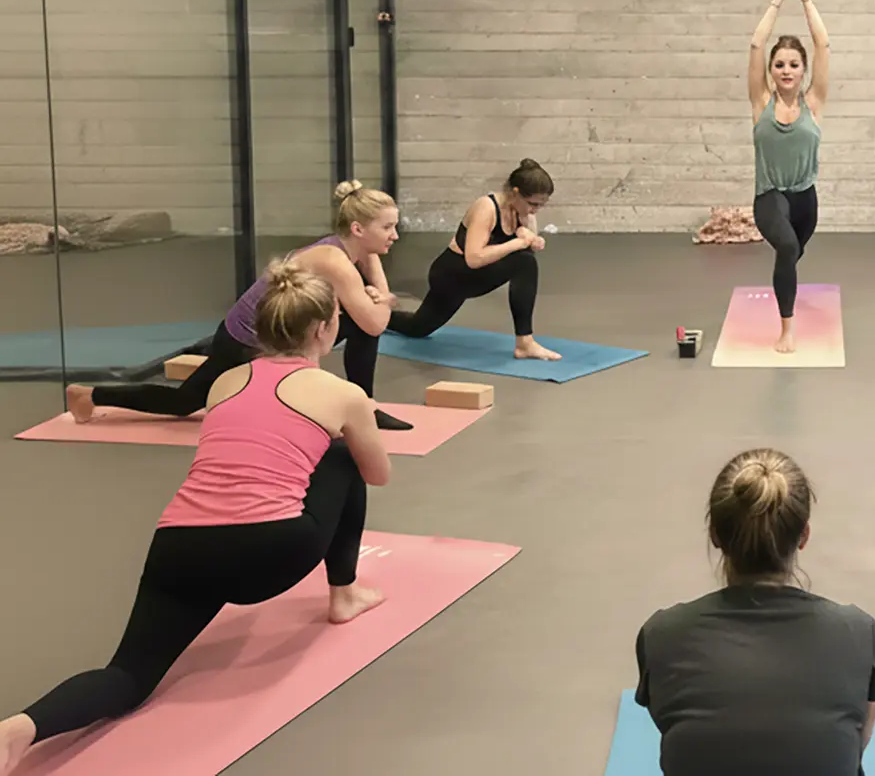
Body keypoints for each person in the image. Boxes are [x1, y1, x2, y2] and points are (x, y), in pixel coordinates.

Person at [1, 264, 390, 775]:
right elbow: (377, 473)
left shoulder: (224, 382)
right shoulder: (344, 394)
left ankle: (21, 727)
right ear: (323, 329)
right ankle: (344, 593)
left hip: (178, 547)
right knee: (343, 457)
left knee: (127, 676)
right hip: (272, 552)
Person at [68, 181, 413, 431]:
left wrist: (379, 290)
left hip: (277, 332)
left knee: (359, 323)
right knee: (185, 402)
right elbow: (375, 323)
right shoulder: (334, 261)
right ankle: (89, 395)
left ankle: (363, 406)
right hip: (248, 339)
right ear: (357, 228)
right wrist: (384, 297)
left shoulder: (348, 249)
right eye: (387, 227)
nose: (395, 235)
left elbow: (373, 309)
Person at [634, 449, 875, 776]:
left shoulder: (662, 634)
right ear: (803, 536)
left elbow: (676, 730)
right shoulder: (859, 632)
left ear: (715, 535)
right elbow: (856, 745)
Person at [387, 158, 558, 361]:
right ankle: (373, 315)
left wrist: (530, 237)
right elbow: (474, 258)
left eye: (540, 205)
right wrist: (519, 243)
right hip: (451, 277)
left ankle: (525, 343)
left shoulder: (523, 212)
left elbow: (527, 251)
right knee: (417, 328)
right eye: (532, 204)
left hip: (475, 278)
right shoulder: (486, 207)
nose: (535, 210)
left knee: (525, 261)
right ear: (515, 192)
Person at [748, 0, 830, 355]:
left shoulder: (814, 102)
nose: (786, 69)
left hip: (805, 201)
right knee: (785, 247)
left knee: (794, 252)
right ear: (771, 70)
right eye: (779, 64)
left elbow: (823, 44)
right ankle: (786, 329)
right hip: (770, 197)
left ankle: (788, 281)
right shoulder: (760, 101)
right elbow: (755, 44)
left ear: (803, 71)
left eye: (793, 65)